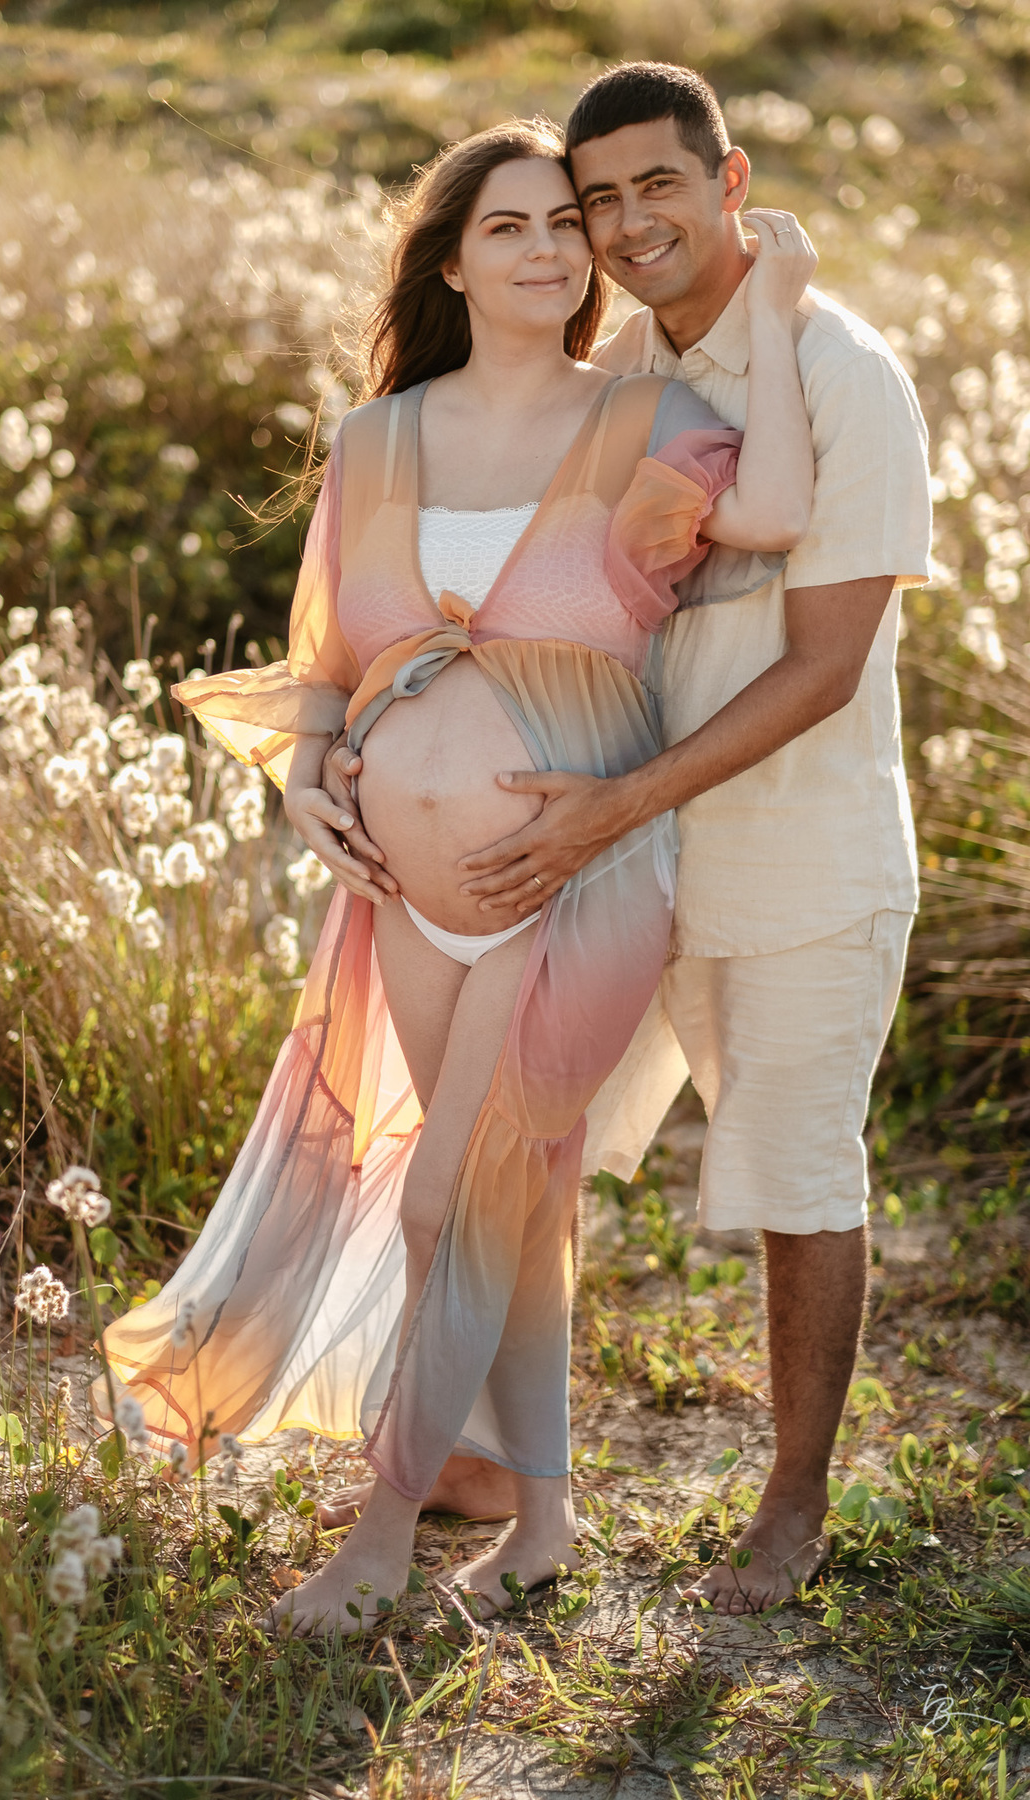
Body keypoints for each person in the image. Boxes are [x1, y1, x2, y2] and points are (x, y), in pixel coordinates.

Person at [96, 116, 816, 1636]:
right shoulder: (377, 440)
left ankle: (374, 1540)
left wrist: (790, 306)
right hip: (406, 894)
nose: (555, 247)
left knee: (447, 1195)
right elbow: (327, 666)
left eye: (570, 222)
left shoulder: (646, 417)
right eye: (512, 226)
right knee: (509, 1194)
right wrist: (306, 777)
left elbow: (777, 516)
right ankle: (545, 1517)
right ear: (452, 256)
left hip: (581, 868)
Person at [321, 65, 932, 1616]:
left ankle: (789, 1505)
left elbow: (824, 665)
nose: (623, 222)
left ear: (729, 183)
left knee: (795, 1175)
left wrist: (608, 803)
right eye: (601, 200)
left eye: (657, 186)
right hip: (620, 862)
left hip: (786, 853)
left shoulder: (835, 366)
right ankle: (505, 1478)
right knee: (531, 1165)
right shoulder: (625, 371)